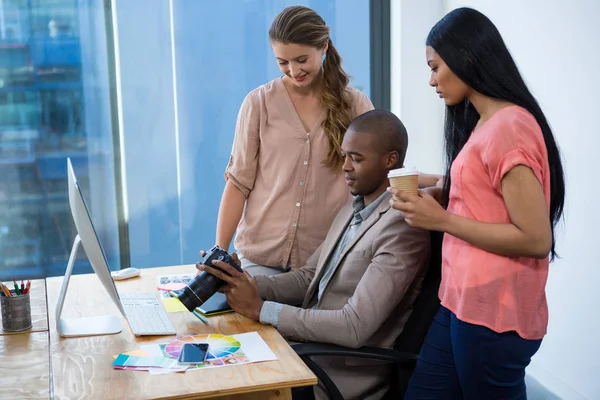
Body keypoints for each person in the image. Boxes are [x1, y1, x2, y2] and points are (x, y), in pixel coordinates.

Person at [389, 8, 566, 399]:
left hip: (492, 315)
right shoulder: (486, 121)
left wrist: (442, 220)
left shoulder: (510, 127)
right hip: (460, 302)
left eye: (435, 67)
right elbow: (484, 192)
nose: (431, 80)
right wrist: (438, 187)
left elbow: (536, 238)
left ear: (465, 58)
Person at [199, 110, 431, 400]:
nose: (345, 167)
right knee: (206, 368)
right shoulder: (353, 209)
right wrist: (241, 281)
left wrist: (261, 309)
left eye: (356, 159)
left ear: (390, 161)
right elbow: (309, 278)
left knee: (218, 391)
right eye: (344, 156)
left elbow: (354, 326)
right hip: (304, 352)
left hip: (337, 374)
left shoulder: (402, 228)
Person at [215, 5, 374, 277]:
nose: (293, 70)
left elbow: (376, 178)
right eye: (283, 62)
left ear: (323, 47)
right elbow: (238, 183)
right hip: (259, 259)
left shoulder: (355, 105)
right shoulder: (258, 103)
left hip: (326, 263)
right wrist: (219, 251)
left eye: (302, 60)